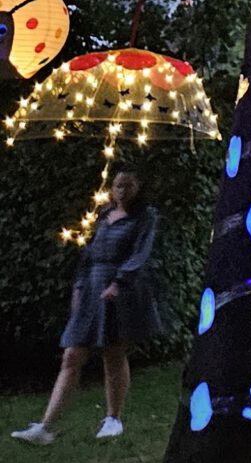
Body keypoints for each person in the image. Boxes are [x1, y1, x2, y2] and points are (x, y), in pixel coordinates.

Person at [13, 169, 163, 444]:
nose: (122, 191)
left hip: (119, 291)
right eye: (118, 186)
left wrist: (119, 283)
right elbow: (89, 253)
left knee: (113, 353)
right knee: (72, 355)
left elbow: (140, 254)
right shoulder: (103, 215)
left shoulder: (145, 217)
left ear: (138, 187)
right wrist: (79, 286)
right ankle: (45, 427)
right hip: (93, 286)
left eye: (128, 186)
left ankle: (113, 419)